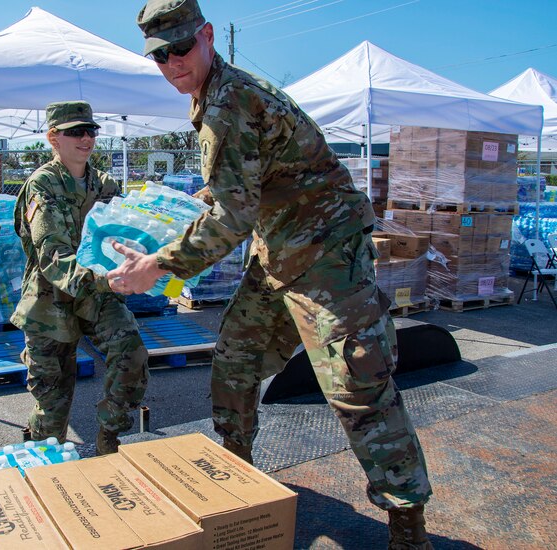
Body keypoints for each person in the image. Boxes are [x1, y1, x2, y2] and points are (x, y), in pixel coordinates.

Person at [107, 1, 434, 547]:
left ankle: (408, 525)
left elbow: (234, 215)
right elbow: (249, 181)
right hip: (278, 249)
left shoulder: (227, 104)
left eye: (180, 48)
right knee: (234, 363)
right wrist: (194, 202)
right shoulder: (214, 94)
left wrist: (160, 267)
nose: (171, 63)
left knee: (357, 387)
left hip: (327, 256)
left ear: (207, 36)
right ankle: (239, 483)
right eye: (159, 55)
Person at [11, 101, 149, 454]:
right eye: (75, 132)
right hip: (49, 299)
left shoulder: (104, 185)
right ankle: (45, 462)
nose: (86, 138)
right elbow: (52, 258)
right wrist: (108, 280)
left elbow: (127, 233)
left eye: (90, 131)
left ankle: (109, 439)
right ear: (53, 138)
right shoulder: (42, 185)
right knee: (53, 398)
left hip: (97, 294)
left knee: (131, 354)